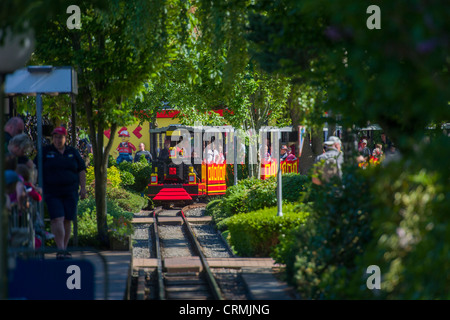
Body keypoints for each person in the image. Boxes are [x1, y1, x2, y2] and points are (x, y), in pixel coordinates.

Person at [36, 126, 87, 259]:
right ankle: (61, 249)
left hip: (70, 192)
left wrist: (83, 188)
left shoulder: (72, 152)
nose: (57, 140)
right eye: (55, 137)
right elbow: (34, 168)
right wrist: (35, 185)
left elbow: (81, 169)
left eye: (60, 137)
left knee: (67, 220)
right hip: (52, 192)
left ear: (65, 138)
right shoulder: (46, 152)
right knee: (57, 218)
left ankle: (64, 248)